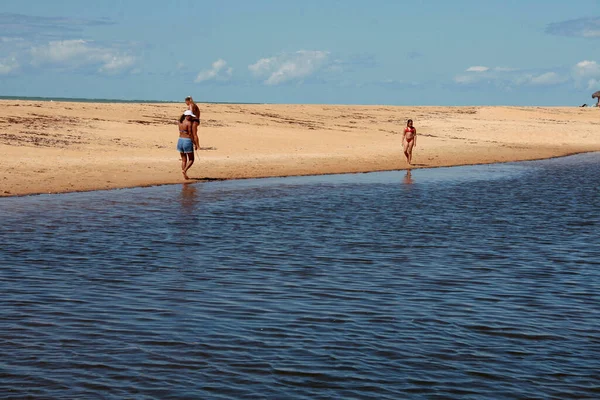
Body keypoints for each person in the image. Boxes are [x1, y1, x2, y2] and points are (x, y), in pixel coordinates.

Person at [177, 110, 198, 180]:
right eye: (190, 116)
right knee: (191, 159)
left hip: (180, 140)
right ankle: (184, 170)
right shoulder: (188, 123)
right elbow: (190, 134)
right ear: (187, 116)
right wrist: (195, 143)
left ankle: (184, 174)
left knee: (184, 159)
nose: (191, 117)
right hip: (187, 141)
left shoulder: (180, 122)